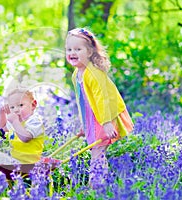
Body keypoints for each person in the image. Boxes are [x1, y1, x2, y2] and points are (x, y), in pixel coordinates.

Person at [65, 28, 134, 188]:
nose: (72, 53)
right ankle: (99, 183)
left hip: (104, 117)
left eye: (78, 49)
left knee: (98, 151)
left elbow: (103, 99)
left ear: (89, 52)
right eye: (69, 49)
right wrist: (84, 124)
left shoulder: (93, 73)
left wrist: (107, 122)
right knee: (96, 151)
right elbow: (82, 101)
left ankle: (96, 186)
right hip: (93, 118)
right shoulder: (77, 74)